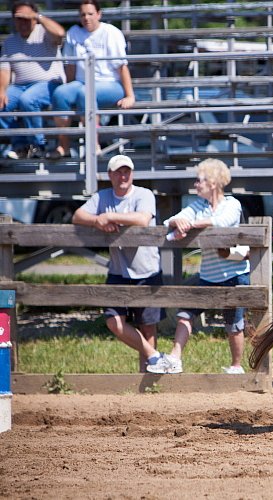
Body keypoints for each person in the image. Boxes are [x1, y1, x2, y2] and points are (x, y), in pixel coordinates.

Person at [148, 158, 251, 375]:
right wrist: (179, 222)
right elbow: (171, 221)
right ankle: (175, 358)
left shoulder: (232, 204)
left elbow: (222, 222)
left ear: (213, 183)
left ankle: (236, 366)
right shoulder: (198, 206)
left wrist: (191, 225)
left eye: (199, 180)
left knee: (234, 323)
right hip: (208, 276)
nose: (196, 185)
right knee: (185, 312)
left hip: (234, 275)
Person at [71, 154, 166, 372]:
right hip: (118, 270)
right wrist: (96, 221)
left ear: (132, 174)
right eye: (118, 172)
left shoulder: (144, 194)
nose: (123, 176)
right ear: (110, 175)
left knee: (148, 327)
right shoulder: (102, 196)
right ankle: (154, 357)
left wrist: (111, 218)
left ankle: (148, 381)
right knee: (114, 321)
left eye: (127, 171)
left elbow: (143, 219)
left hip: (146, 270)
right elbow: (77, 216)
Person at [47, 0, 135, 159]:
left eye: (90, 14)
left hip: (110, 84)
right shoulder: (73, 33)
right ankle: (63, 146)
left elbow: (122, 67)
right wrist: (69, 92)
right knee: (60, 93)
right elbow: (71, 67)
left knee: (85, 93)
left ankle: (93, 145)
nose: (86, 18)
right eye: (83, 14)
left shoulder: (111, 32)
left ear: (99, 14)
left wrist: (130, 96)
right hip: (82, 83)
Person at [0, 1, 65, 160]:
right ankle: (21, 145)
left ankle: (38, 145)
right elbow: (4, 70)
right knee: (1, 103)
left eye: (26, 18)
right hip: (20, 85)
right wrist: (1, 91)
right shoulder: (9, 42)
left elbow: (60, 33)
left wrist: (36, 16)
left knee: (27, 99)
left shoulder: (45, 33)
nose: (23, 22)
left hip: (50, 84)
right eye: (19, 18)